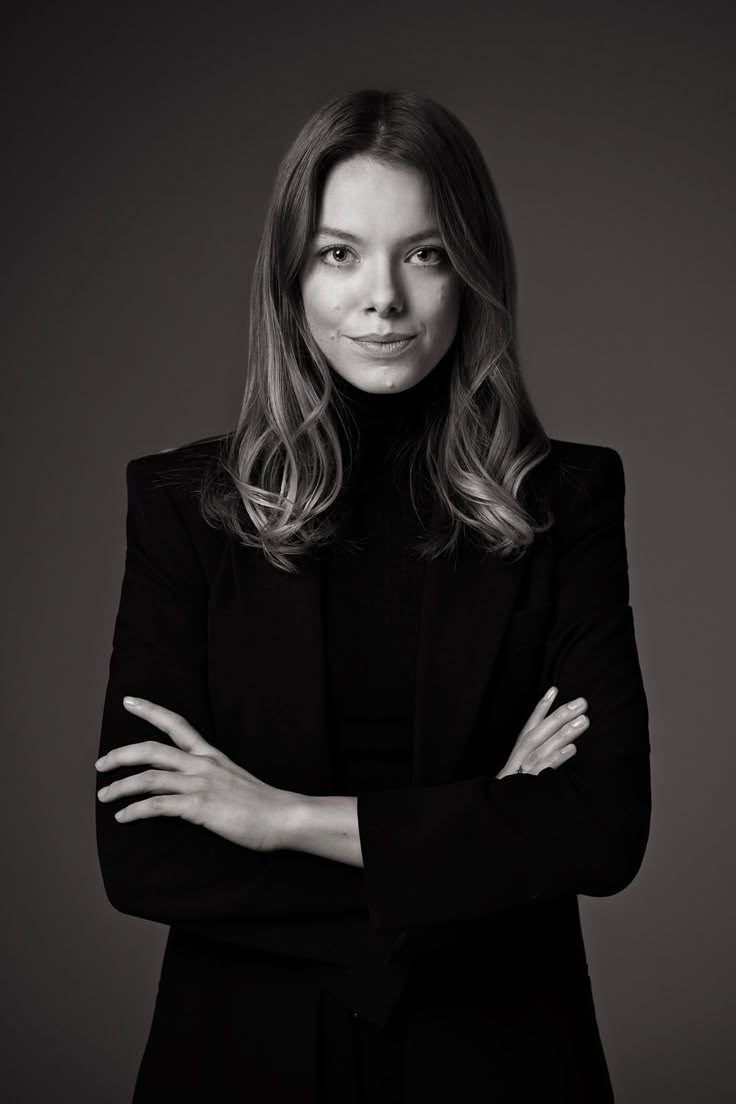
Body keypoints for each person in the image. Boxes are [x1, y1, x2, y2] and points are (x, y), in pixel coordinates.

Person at [95, 88, 651, 1102]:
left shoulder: (565, 499)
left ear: (472, 272)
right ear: (290, 277)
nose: (382, 297)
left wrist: (281, 819)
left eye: (424, 252)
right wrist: (482, 831)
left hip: (501, 1058)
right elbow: (145, 859)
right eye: (340, 253)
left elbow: (601, 830)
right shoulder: (184, 507)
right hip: (241, 1058)